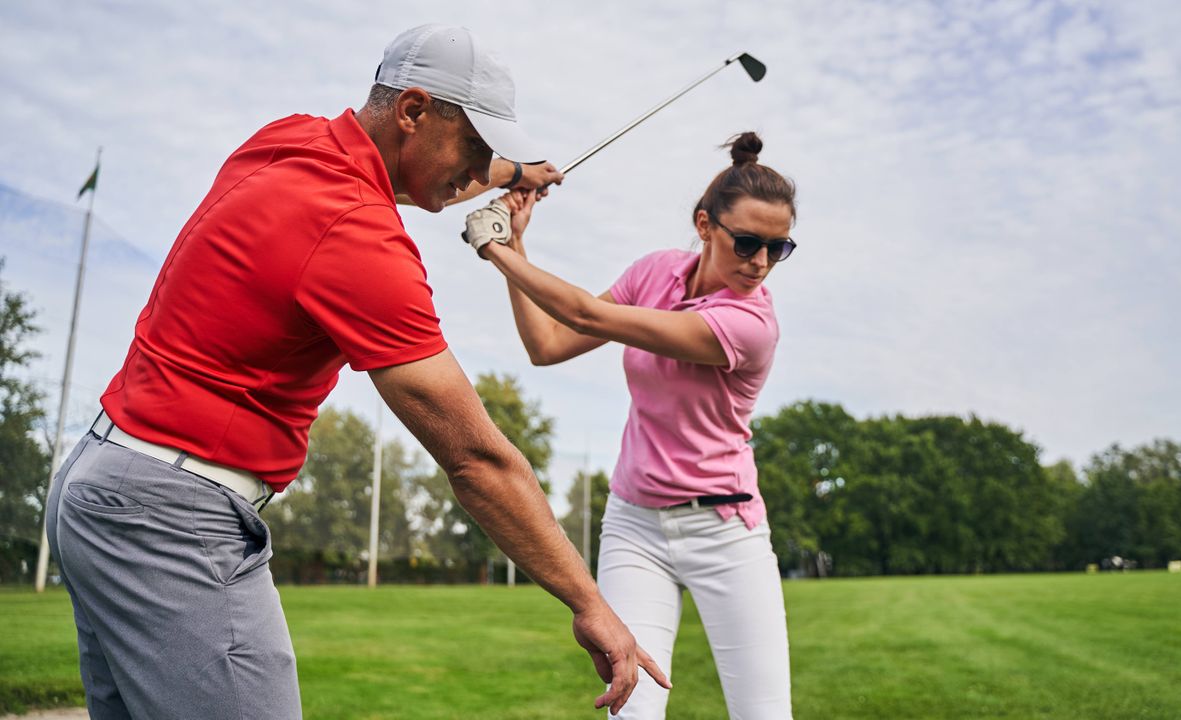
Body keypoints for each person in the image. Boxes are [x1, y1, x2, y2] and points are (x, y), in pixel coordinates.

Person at [43, 23, 666, 719]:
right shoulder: (360, 237)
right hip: (170, 519)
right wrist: (589, 603)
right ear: (413, 111)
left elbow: (426, 170)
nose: (474, 175)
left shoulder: (288, 140)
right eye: (476, 147)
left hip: (102, 484)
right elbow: (476, 460)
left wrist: (519, 174)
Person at [466, 132, 797, 719]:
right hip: (634, 526)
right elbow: (547, 343)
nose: (761, 263)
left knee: (763, 715)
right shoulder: (656, 272)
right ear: (704, 225)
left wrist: (495, 251)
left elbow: (587, 314)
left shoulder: (750, 325)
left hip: (724, 530)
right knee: (632, 712)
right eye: (747, 243)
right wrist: (515, 247)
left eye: (779, 248)